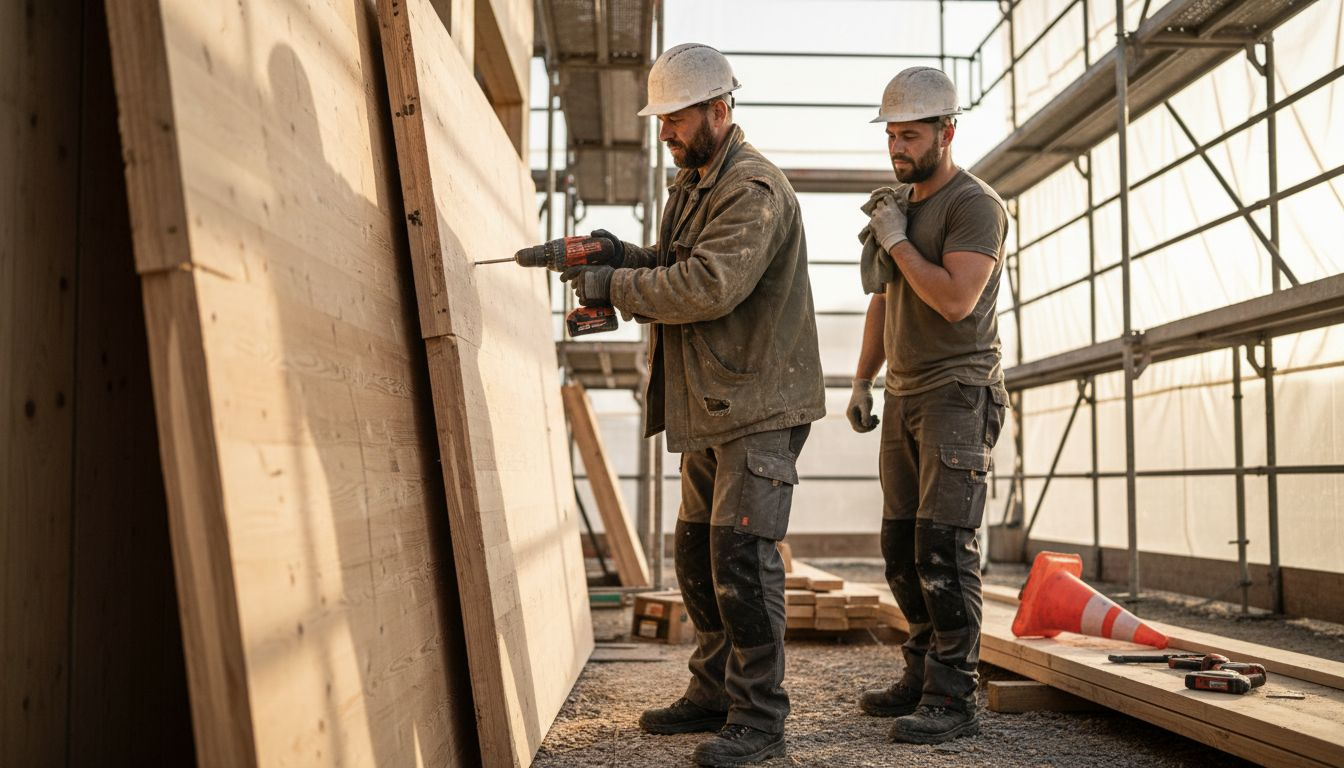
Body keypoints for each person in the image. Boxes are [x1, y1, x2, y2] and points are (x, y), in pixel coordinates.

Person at [556, 43, 825, 766]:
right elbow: (675, 267)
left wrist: (611, 287)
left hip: (759, 403)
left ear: (719, 110)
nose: (665, 132)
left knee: (741, 558)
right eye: (662, 120)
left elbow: (707, 286)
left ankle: (760, 719)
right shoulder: (694, 182)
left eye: (676, 119)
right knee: (699, 559)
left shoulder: (752, 189)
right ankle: (712, 692)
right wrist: (620, 254)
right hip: (711, 398)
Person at [846, 66, 1009, 745]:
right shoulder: (900, 205)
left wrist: (898, 239)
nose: (898, 148)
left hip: (957, 394)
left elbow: (952, 298)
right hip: (904, 393)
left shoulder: (975, 206)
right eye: (891, 136)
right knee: (900, 551)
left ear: (947, 132)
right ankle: (921, 669)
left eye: (910, 135)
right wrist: (861, 380)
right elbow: (888, 298)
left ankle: (955, 696)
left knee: (945, 550)